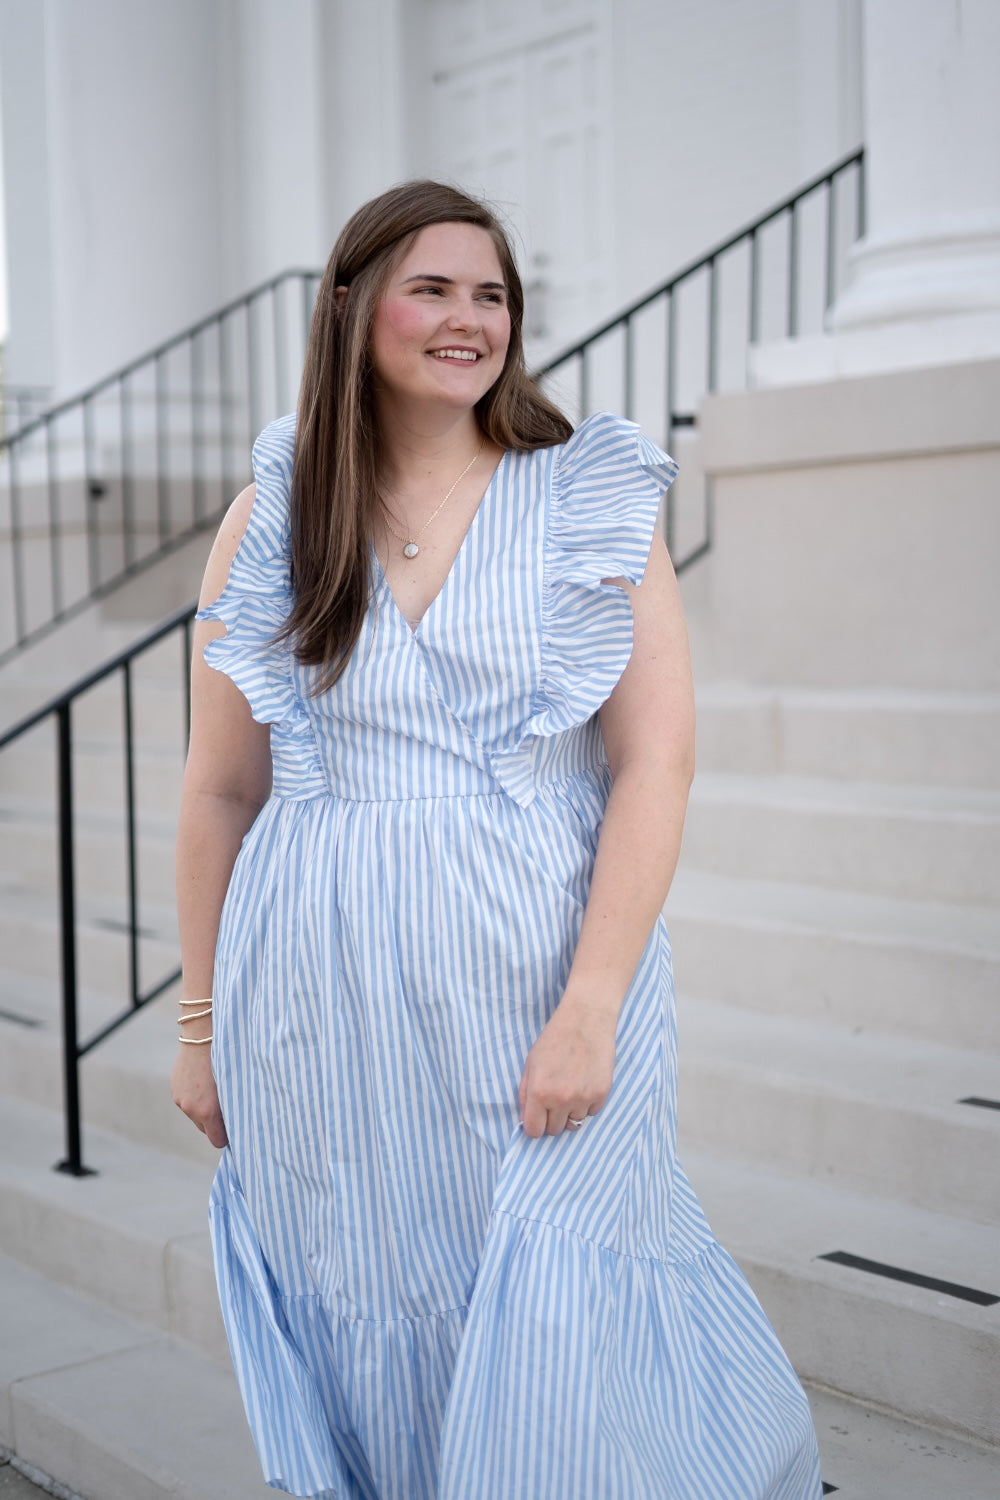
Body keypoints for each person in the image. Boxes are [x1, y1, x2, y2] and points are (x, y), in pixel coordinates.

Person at [171, 180, 822, 1499]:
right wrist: (199, 1024)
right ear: (350, 309)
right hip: (315, 1002)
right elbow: (219, 791)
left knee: (571, 1310)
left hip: (531, 979)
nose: (471, 319)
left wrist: (593, 1006)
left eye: (494, 294)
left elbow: (657, 761)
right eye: (434, 288)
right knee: (363, 1297)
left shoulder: (587, 496)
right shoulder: (273, 514)